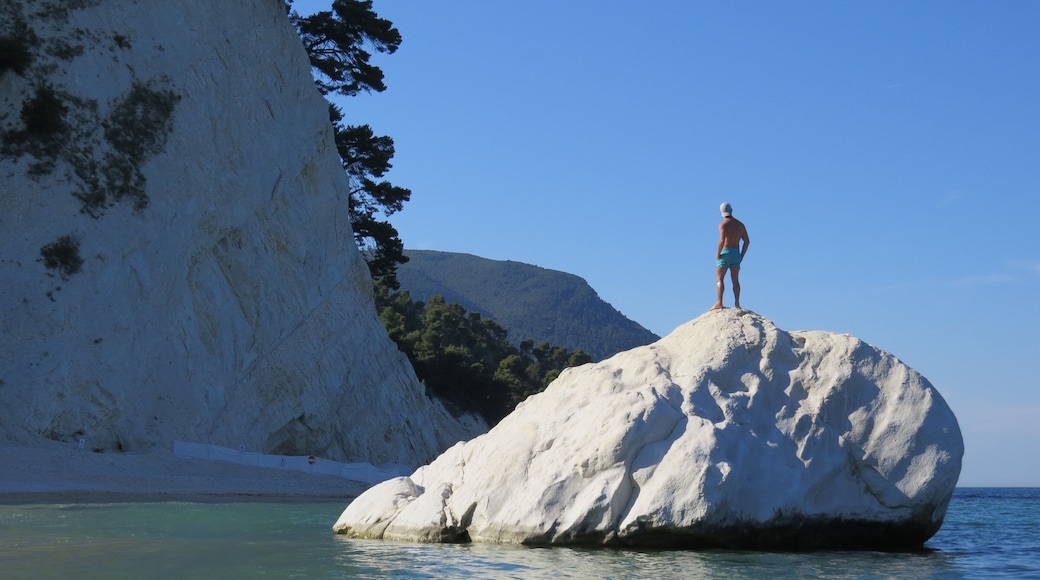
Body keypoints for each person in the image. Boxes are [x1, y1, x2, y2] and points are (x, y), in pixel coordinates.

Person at [711, 202, 749, 310]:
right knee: (735, 280)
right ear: (731, 210)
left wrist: (718, 254)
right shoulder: (740, 225)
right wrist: (741, 255)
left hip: (726, 252)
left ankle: (719, 302)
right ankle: (737, 303)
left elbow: (722, 240)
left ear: (721, 213)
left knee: (719, 279)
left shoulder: (723, 225)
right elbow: (747, 241)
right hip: (736, 253)